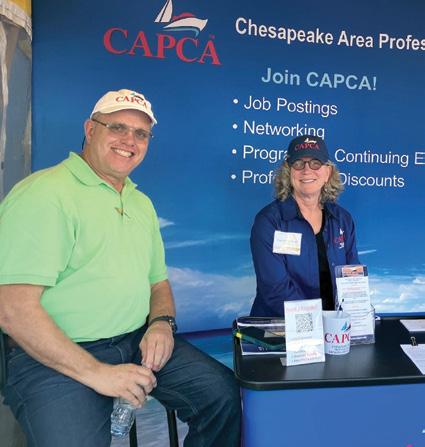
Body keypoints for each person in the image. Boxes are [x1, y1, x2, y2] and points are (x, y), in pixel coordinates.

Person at [0, 89, 241, 447]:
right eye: (117, 127)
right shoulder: (43, 194)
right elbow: (13, 310)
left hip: (133, 341)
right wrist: (98, 373)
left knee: (221, 396)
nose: (130, 140)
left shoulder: (141, 203)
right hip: (49, 356)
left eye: (141, 133)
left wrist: (161, 323)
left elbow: (158, 284)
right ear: (90, 129)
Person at [250, 135, 360, 317]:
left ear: (328, 172)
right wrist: (315, 324)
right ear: (289, 172)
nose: (307, 170)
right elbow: (275, 289)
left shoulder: (342, 220)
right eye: (298, 163)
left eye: (316, 163)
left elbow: (352, 277)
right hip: (281, 327)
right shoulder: (269, 222)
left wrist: (353, 320)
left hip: (333, 326)